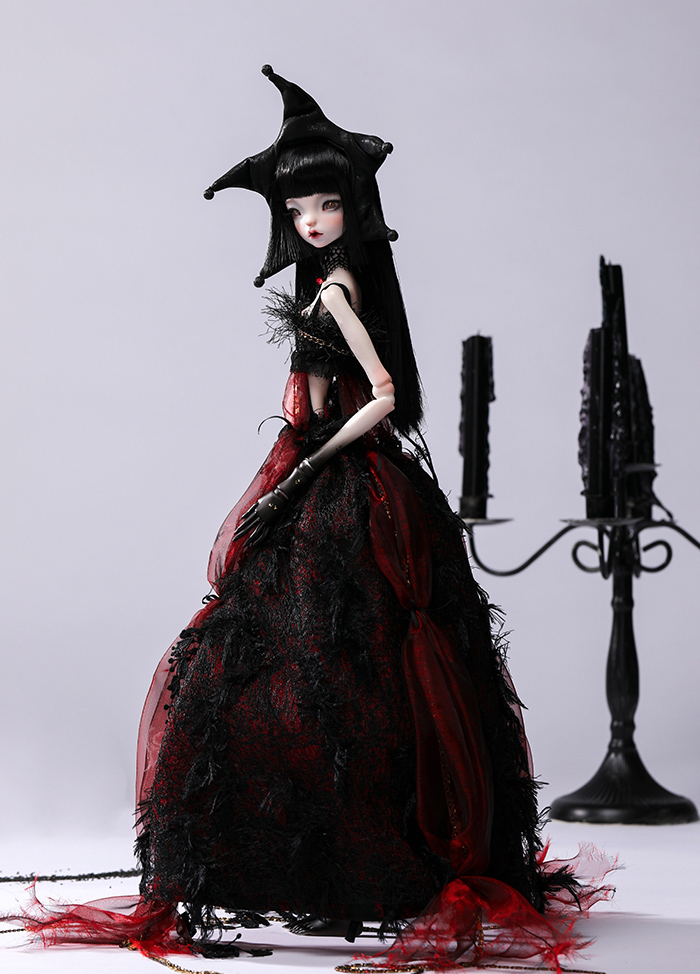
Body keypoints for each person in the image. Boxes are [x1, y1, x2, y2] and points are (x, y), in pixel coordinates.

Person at [4, 65, 612, 970]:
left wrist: (316, 459)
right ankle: (309, 859)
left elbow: (386, 394)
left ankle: (357, 859)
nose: (314, 221)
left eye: (327, 205)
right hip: (324, 466)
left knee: (349, 649)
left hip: (347, 473)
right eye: (299, 210)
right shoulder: (321, 279)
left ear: (353, 207)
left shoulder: (335, 290)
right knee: (303, 653)